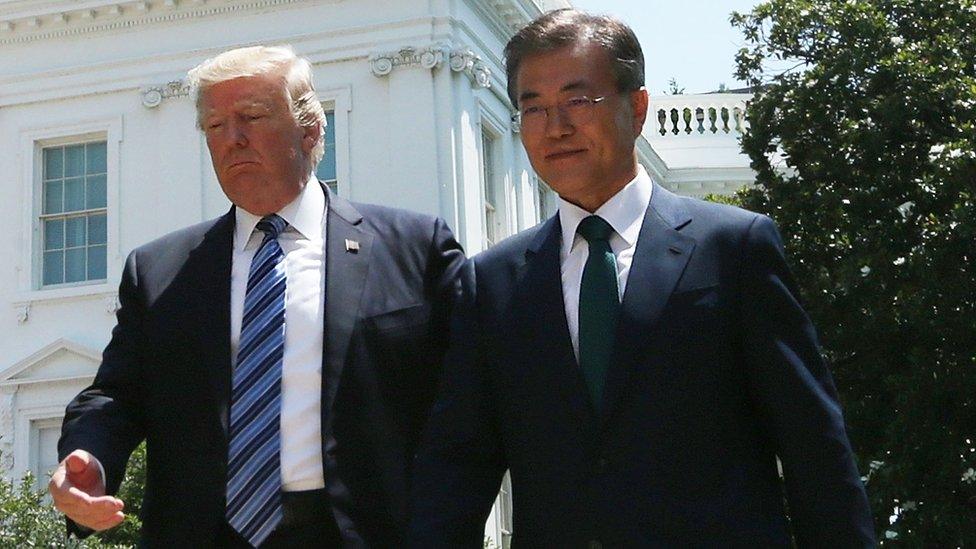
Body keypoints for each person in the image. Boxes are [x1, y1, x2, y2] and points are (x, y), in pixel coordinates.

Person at [410, 9, 875, 547]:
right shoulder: (493, 281)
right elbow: (458, 468)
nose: (555, 126)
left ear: (637, 106)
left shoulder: (733, 248)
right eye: (533, 108)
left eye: (577, 101)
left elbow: (812, 445)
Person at [49, 45, 464, 547]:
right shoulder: (160, 270)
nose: (233, 140)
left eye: (251, 117)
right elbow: (115, 394)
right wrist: (89, 459)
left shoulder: (414, 250)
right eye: (215, 126)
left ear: (309, 129)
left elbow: (466, 406)